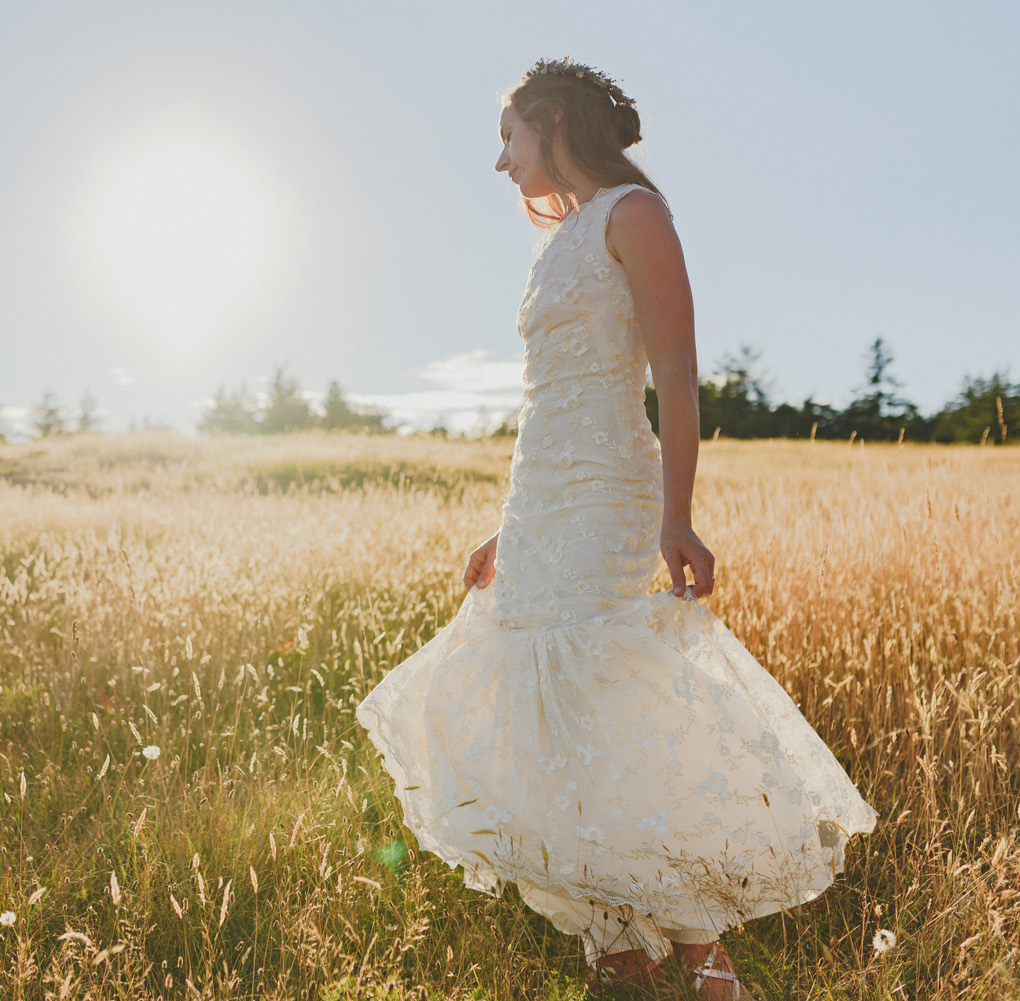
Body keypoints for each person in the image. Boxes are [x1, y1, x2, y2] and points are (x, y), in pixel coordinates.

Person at [354, 57, 878, 1000]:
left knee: (588, 704)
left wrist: (678, 515)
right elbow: (545, 402)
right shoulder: (555, 242)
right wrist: (508, 528)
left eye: (508, 137)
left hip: (609, 497)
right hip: (543, 501)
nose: (501, 162)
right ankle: (617, 956)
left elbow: (673, 376)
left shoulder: (636, 217)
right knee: (537, 719)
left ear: (551, 123)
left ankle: (708, 969)